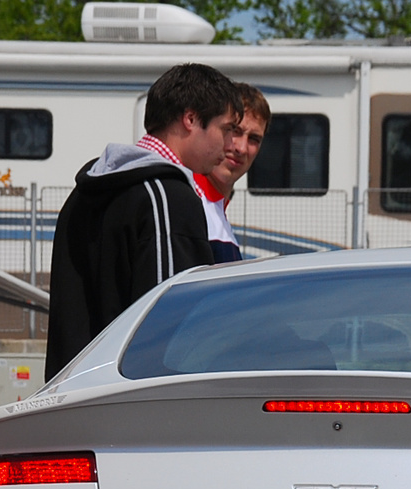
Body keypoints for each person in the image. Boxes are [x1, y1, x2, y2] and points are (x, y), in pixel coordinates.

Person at [45, 63, 241, 374]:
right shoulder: (167, 196)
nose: (231, 144)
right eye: (227, 128)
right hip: (136, 400)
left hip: (76, 391)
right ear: (191, 119)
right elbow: (170, 325)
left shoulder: (88, 190)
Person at [193, 82, 271, 263]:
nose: (242, 148)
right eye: (234, 131)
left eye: (254, 139)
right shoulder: (189, 201)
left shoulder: (216, 210)